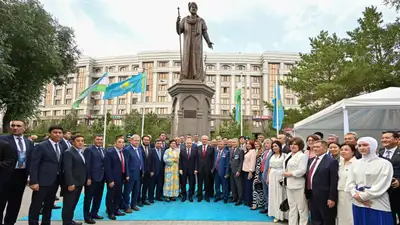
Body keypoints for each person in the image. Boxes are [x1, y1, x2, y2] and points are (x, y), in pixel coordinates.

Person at [346, 137, 394, 225]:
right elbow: (350, 182)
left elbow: (382, 184)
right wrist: (355, 195)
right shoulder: (355, 163)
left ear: (373, 146)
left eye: (365, 145)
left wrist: (363, 196)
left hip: (377, 202)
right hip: (357, 202)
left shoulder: (385, 164)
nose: (362, 148)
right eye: (359, 145)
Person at [28, 125, 64, 225]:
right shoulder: (41, 146)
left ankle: (46, 223)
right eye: (55, 132)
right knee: (36, 206)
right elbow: (34, 165)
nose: (58, 134)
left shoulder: (60, 146)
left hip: (55, 181)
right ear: (50, 134)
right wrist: (34, 181)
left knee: (49, 206)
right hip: (42, 182)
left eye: (60, 133)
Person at [0, 120, 34, 225]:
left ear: (24, 128)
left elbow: (31, 160)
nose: (15, 128)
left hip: (21, 176)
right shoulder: (3, 139)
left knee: (15, 204)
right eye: (13, 126)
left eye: (18, 126)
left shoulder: (29, 142)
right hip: (4, 176)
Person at [305, 140, 339, 225]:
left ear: (325, 148)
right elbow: (309, 176)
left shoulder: (331, 161)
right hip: (312, 194)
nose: (315, 149)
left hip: (325, 196)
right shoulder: (311, 160)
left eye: (318, 147)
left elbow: (333, 181)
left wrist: (332, 197)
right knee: (315, 218)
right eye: (314, 147)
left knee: (327, 219)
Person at [283, 137, 309, 225]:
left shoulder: (302, 156)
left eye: (295, 144)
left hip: (298, 185)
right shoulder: (289, 154)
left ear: (300, 146)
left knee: (302, 208)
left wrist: (290, 174)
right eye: (291, 144)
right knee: (292, 207)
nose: (292, 146)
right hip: (288, 184)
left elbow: (302, 170)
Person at [62, 135, 86, 225]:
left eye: (82, 140)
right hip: (72, 184)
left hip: (79, 183)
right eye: (78, 140)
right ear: (72, 142)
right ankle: (67, 222)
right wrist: (70, 183)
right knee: (68, 205)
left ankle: (70, 220)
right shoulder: (69, 152)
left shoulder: (80, 152)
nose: (80, 142)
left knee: (73, 204)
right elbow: (67, 169)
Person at [104, 137, 129, 220]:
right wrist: (110, 180)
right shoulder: (110, 152)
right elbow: (107, 168)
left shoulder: (123, 152)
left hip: (121, 177)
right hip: (113, 179)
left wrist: (126, 175)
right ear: (115, 143)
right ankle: (110, 212)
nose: (121, 144)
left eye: (122, 142)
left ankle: (116, 209)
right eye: (119, 142)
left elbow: (125, 164)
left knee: (118, 195)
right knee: (111, 195)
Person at [83, 135, 106, 224]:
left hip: (101, 178)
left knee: (98, 197)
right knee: (88, 198)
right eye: (98, 139)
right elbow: (87, 165)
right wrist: (88, 178)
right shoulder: (89, 150)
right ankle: (87, 216)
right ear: (94, 140)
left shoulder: (103, 150)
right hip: (92, 179)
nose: (99, 141)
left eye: (101, 139)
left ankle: (94, 213)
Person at [267, 141, 288, 223]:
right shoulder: (271, 156)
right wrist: (268, 177)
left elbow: (286, 167)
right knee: (273, 195)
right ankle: (275, 214)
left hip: (280, 176)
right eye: (273, 146)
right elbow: (269, 167)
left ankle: (282, 214)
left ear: (279, 146)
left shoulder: (284, 155)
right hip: (272, 176)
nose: (274, 147)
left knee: (281, 194)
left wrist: (284, 178)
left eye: (276, 146)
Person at [122, 134, 143, 213]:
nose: (137, 142)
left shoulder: (139, 149)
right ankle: (126, 206)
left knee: (136, 190)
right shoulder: (127, 150)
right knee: (127, 191)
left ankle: (133, 205)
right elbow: (126, 163)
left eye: (138, 140)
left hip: (138, 173)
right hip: (130, 174)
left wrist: (142, 170)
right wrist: (126, 174)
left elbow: (141, 161)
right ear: (131, 140)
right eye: (135, 140)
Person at [337, 143, 356, 225]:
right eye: (341, 150)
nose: (343, 152)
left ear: (353, 152)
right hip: (339, 192)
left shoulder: (356, 163)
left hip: (351, 194)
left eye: (346, 150)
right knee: (340, 216)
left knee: (350, 216)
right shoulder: (339, 163)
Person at [196, 135, 214, 202]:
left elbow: (212, 160)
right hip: (199, 169)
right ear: (201, 140)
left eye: (205, 139)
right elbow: (196, 159)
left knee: (207, 183)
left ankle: (207, 196)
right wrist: (196, 168)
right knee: (199, 183)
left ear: (207, 140)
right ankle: (199, 196)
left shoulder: (211, 148)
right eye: (203, 139)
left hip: (208, 169)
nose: (204, 140)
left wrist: (211, 168)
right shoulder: (198, 148)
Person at [230, 138, 244, 205]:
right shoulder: (231, 150)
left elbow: (241, 162)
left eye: (234, 142)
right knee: (233, 185)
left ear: (238, 143)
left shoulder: (240, 150)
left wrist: (239, 171)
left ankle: (239, 199)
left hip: (237, 171)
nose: (233, 143)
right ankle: (234, 197)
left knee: (239, 186)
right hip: (231, 170)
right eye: (232, 142)